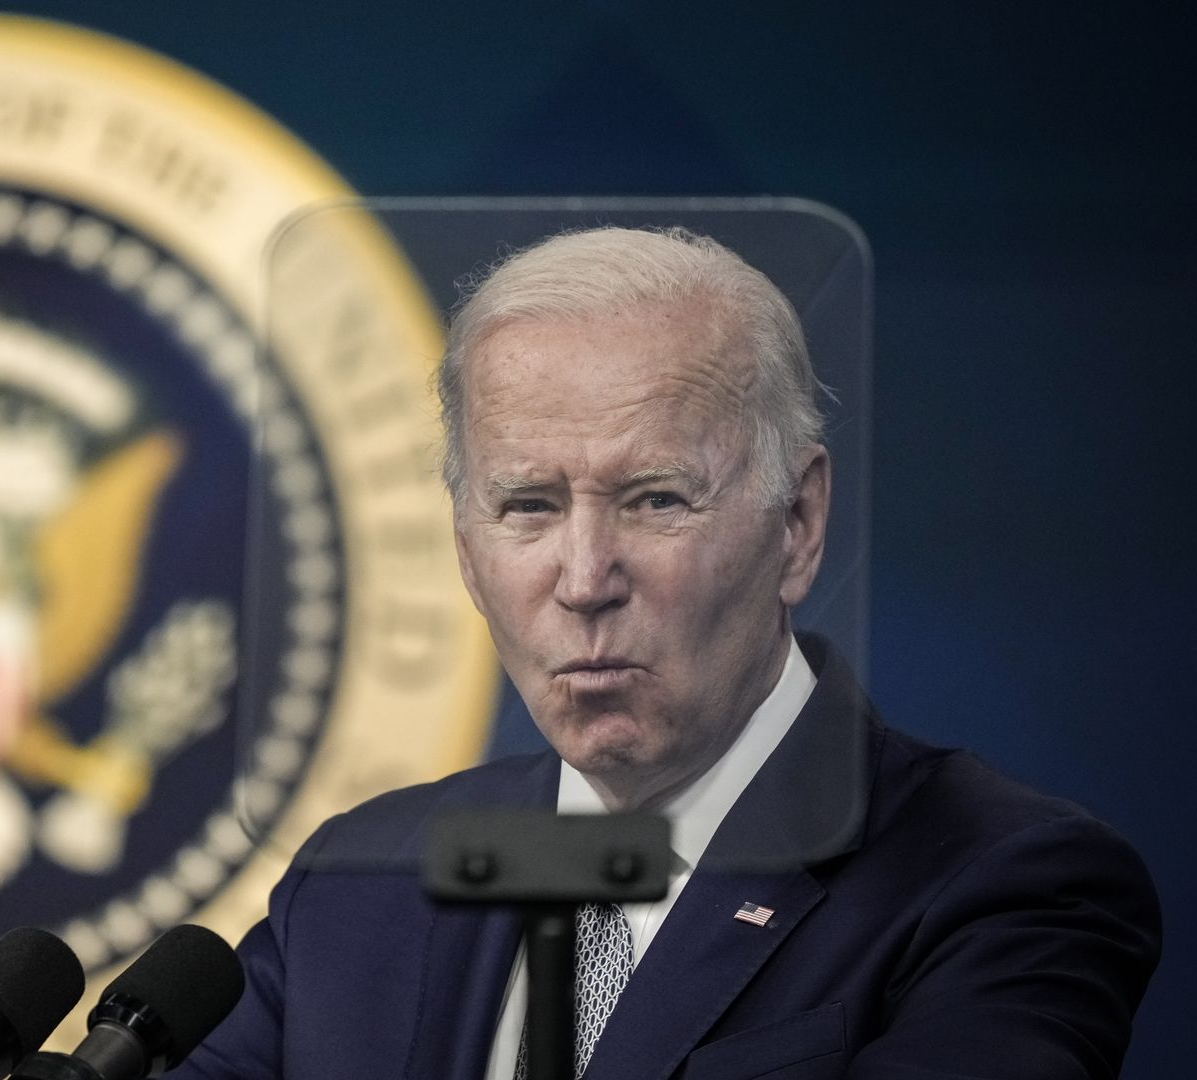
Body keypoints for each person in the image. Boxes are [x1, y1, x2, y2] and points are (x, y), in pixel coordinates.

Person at [174, 226, 1161, 1079]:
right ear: (466, 553)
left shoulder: (1003, 883)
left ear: (799, 523)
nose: (585, 577)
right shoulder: (358, 883)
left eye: (654, 499)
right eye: (529, 506)